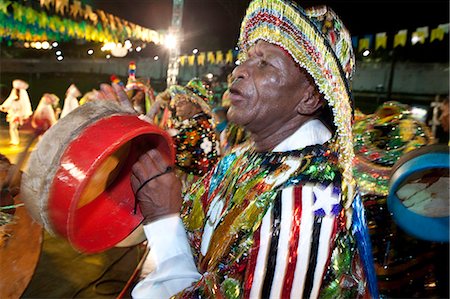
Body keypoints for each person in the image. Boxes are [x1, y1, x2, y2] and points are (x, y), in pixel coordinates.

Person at [130, 0, 378, 298]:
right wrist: (126, 147)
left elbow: (169, 221)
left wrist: (162, 219)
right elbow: (183, 223)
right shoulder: (239, 160)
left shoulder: (305, 200)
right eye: (246, 58)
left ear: (309, 98)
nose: (239, 70)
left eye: (264, 63)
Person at [0, 79, 33, 145]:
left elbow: (24, 106)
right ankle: (14, 140)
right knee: (12, 128)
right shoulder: (13, 96)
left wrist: (21, 115)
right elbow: (9, 102)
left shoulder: (22, 98)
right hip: (13, 114)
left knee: (13, 127)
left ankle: (15, 141)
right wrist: (4, 107)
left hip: (18, 114)